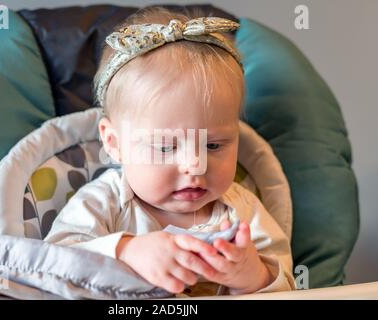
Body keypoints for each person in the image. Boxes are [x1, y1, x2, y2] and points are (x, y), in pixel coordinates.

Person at [45, 6, 295, 297]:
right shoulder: (102, 205)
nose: (195, 165)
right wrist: (125, 251)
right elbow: (53, 265)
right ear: (113, 143)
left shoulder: (244, 213)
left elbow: (290, 288)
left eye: (213, 145)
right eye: (165, 147)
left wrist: (252, 275)